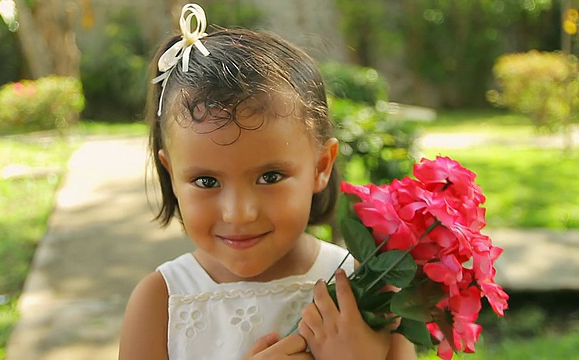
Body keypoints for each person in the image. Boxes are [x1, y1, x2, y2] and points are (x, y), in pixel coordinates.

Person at [119, 4, 417, 359]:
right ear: (170, 174)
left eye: (270, 176)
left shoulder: (364, 286)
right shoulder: (161, 303)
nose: (239, 213)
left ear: (321, 166)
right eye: (206, 181)